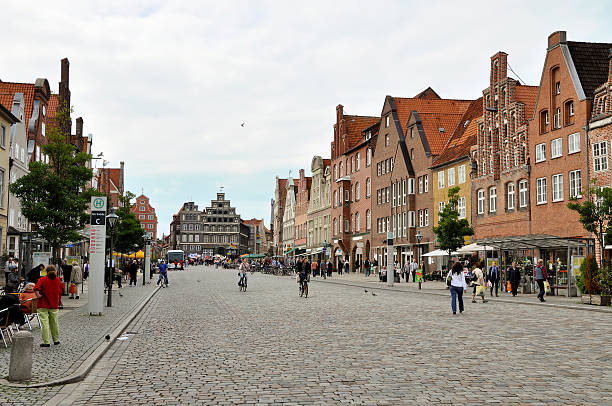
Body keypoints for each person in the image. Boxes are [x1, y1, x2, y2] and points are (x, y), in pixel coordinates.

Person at [34, 265, 63, 347]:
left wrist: (38, 295)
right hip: (54, 304)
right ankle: (56, 340)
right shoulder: (58, 280)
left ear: (46, 271)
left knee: (45, 324)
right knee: (54, 323)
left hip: (43, 304)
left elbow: (36, 288)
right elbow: (60, 290)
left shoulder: (42, 279)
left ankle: (46, 342)